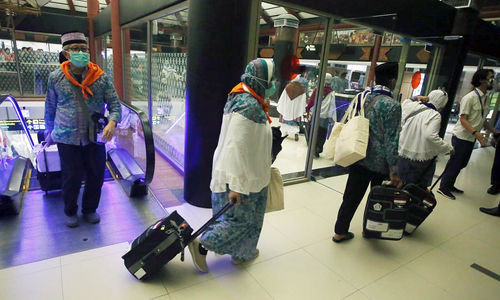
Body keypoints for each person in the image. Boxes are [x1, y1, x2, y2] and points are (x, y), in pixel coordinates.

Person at [188, 58, 274, 272]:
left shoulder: (245, 97)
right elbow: (236, 145)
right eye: (271, 78)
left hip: (248, 172)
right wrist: (236, 185)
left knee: (249, 218)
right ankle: (202, 245)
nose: (274, 83)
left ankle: (242, 253)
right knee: (240, 222)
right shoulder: (249, 106)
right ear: (262, 79)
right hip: (241, 176)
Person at [44, 31, 122, 228]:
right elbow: (50, 107)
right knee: (72, 176)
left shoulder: (101, 78)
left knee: (96, 175)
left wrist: (112, 123)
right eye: (75, 49)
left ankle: (90, 209)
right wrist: (49, 132)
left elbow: (114, 104)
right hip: (66, 137)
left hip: (94, 136)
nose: (81, 52)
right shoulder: (55, 78)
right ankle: (70, 210)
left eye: (83, 49)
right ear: (66, 53)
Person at [332, 62, 402, 243]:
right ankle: (370, 230)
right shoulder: (393, 105)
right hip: (380, 164)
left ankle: (340, 231)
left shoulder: (362, 97)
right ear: (392, 80)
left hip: (358, 154)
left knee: (351, 197)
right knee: (376, 199)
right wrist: (394, 169)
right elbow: (392, 140)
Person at [438, 69, 496, 200]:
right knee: (455, 163)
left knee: (462, 163)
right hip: (462, 137)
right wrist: (476, 133)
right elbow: (463, 119)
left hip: (470, 137)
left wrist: (493, 131)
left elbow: (482, 119)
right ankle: (443, 187)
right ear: (481, 80)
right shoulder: (470, 97)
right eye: (490, 77)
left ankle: (450, 184)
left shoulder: (485, 98)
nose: (493, 80)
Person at [398, 90, 454, 188]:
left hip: (402, 151)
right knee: (416, 187)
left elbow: (407, 101)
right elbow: (430, 135)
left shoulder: (413, 106)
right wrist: (448, 148)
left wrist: (418, 97)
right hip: (420, 157)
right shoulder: (435, 115)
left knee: (400, 182)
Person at [305, 73, 335, 157]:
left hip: (315, 115)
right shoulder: (332, 92)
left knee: (313, 131)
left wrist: (307, 108)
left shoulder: (317, 89)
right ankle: (318, 148)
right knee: (322, 133)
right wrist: (332, 117)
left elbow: (311, 102)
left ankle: (312, 148)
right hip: (325, 117)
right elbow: (332, 106)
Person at [277, 72, 308, 141]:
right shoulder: (302, 89)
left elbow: (283, 98)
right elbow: (303, 101)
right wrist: (302, 108)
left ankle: (284, 133)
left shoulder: (288, 87)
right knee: (295, 122)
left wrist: (281, 106)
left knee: (285, 122)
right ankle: (296, 133)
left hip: (287, 107)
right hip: (296, 109)